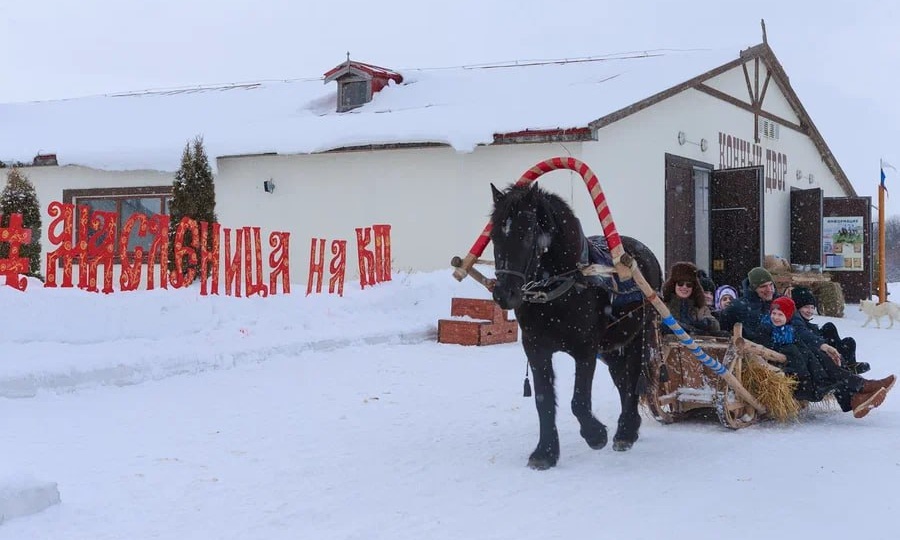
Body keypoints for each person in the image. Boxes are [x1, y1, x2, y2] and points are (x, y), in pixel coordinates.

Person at [757, 297, 894, 418]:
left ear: (788, 316)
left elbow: (803, 335)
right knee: (829, 369)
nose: (775, 317)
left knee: (827, 359)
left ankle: (858, 395)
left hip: (806, 365)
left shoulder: (789, 330)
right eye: (774, 314)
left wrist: (824, 347)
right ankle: (860, 389)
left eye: (780, 314)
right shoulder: (768, 329)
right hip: (797, 374)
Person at [791, 286, 871, 375]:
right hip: (814, 350)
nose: (810, 311)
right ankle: (845, 367)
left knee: (840, 335)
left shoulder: (805, 322)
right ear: (798, 307)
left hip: (819, 345)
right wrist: (823, 344)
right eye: (806, 307)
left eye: (812, 307)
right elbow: (803, 333)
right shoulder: (796, 319)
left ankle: (849, 365)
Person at [718, 266, 780, 343]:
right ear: (754, 288)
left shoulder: (781, 303)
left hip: (778, 349)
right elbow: (722, 330)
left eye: (771, 285)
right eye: (763, 286)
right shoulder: (738, 307)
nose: (769, 289)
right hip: (749, 351)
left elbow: (797, 328)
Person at [661, 262, 720, 334]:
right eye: (680, 284)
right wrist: (691, 329)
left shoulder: (700, 308)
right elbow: (659, 324)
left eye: (689, 285)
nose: (684, 287)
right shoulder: (664, 306)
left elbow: (715, 326)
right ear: (673, 285)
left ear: (693, 288)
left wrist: (708, 323)